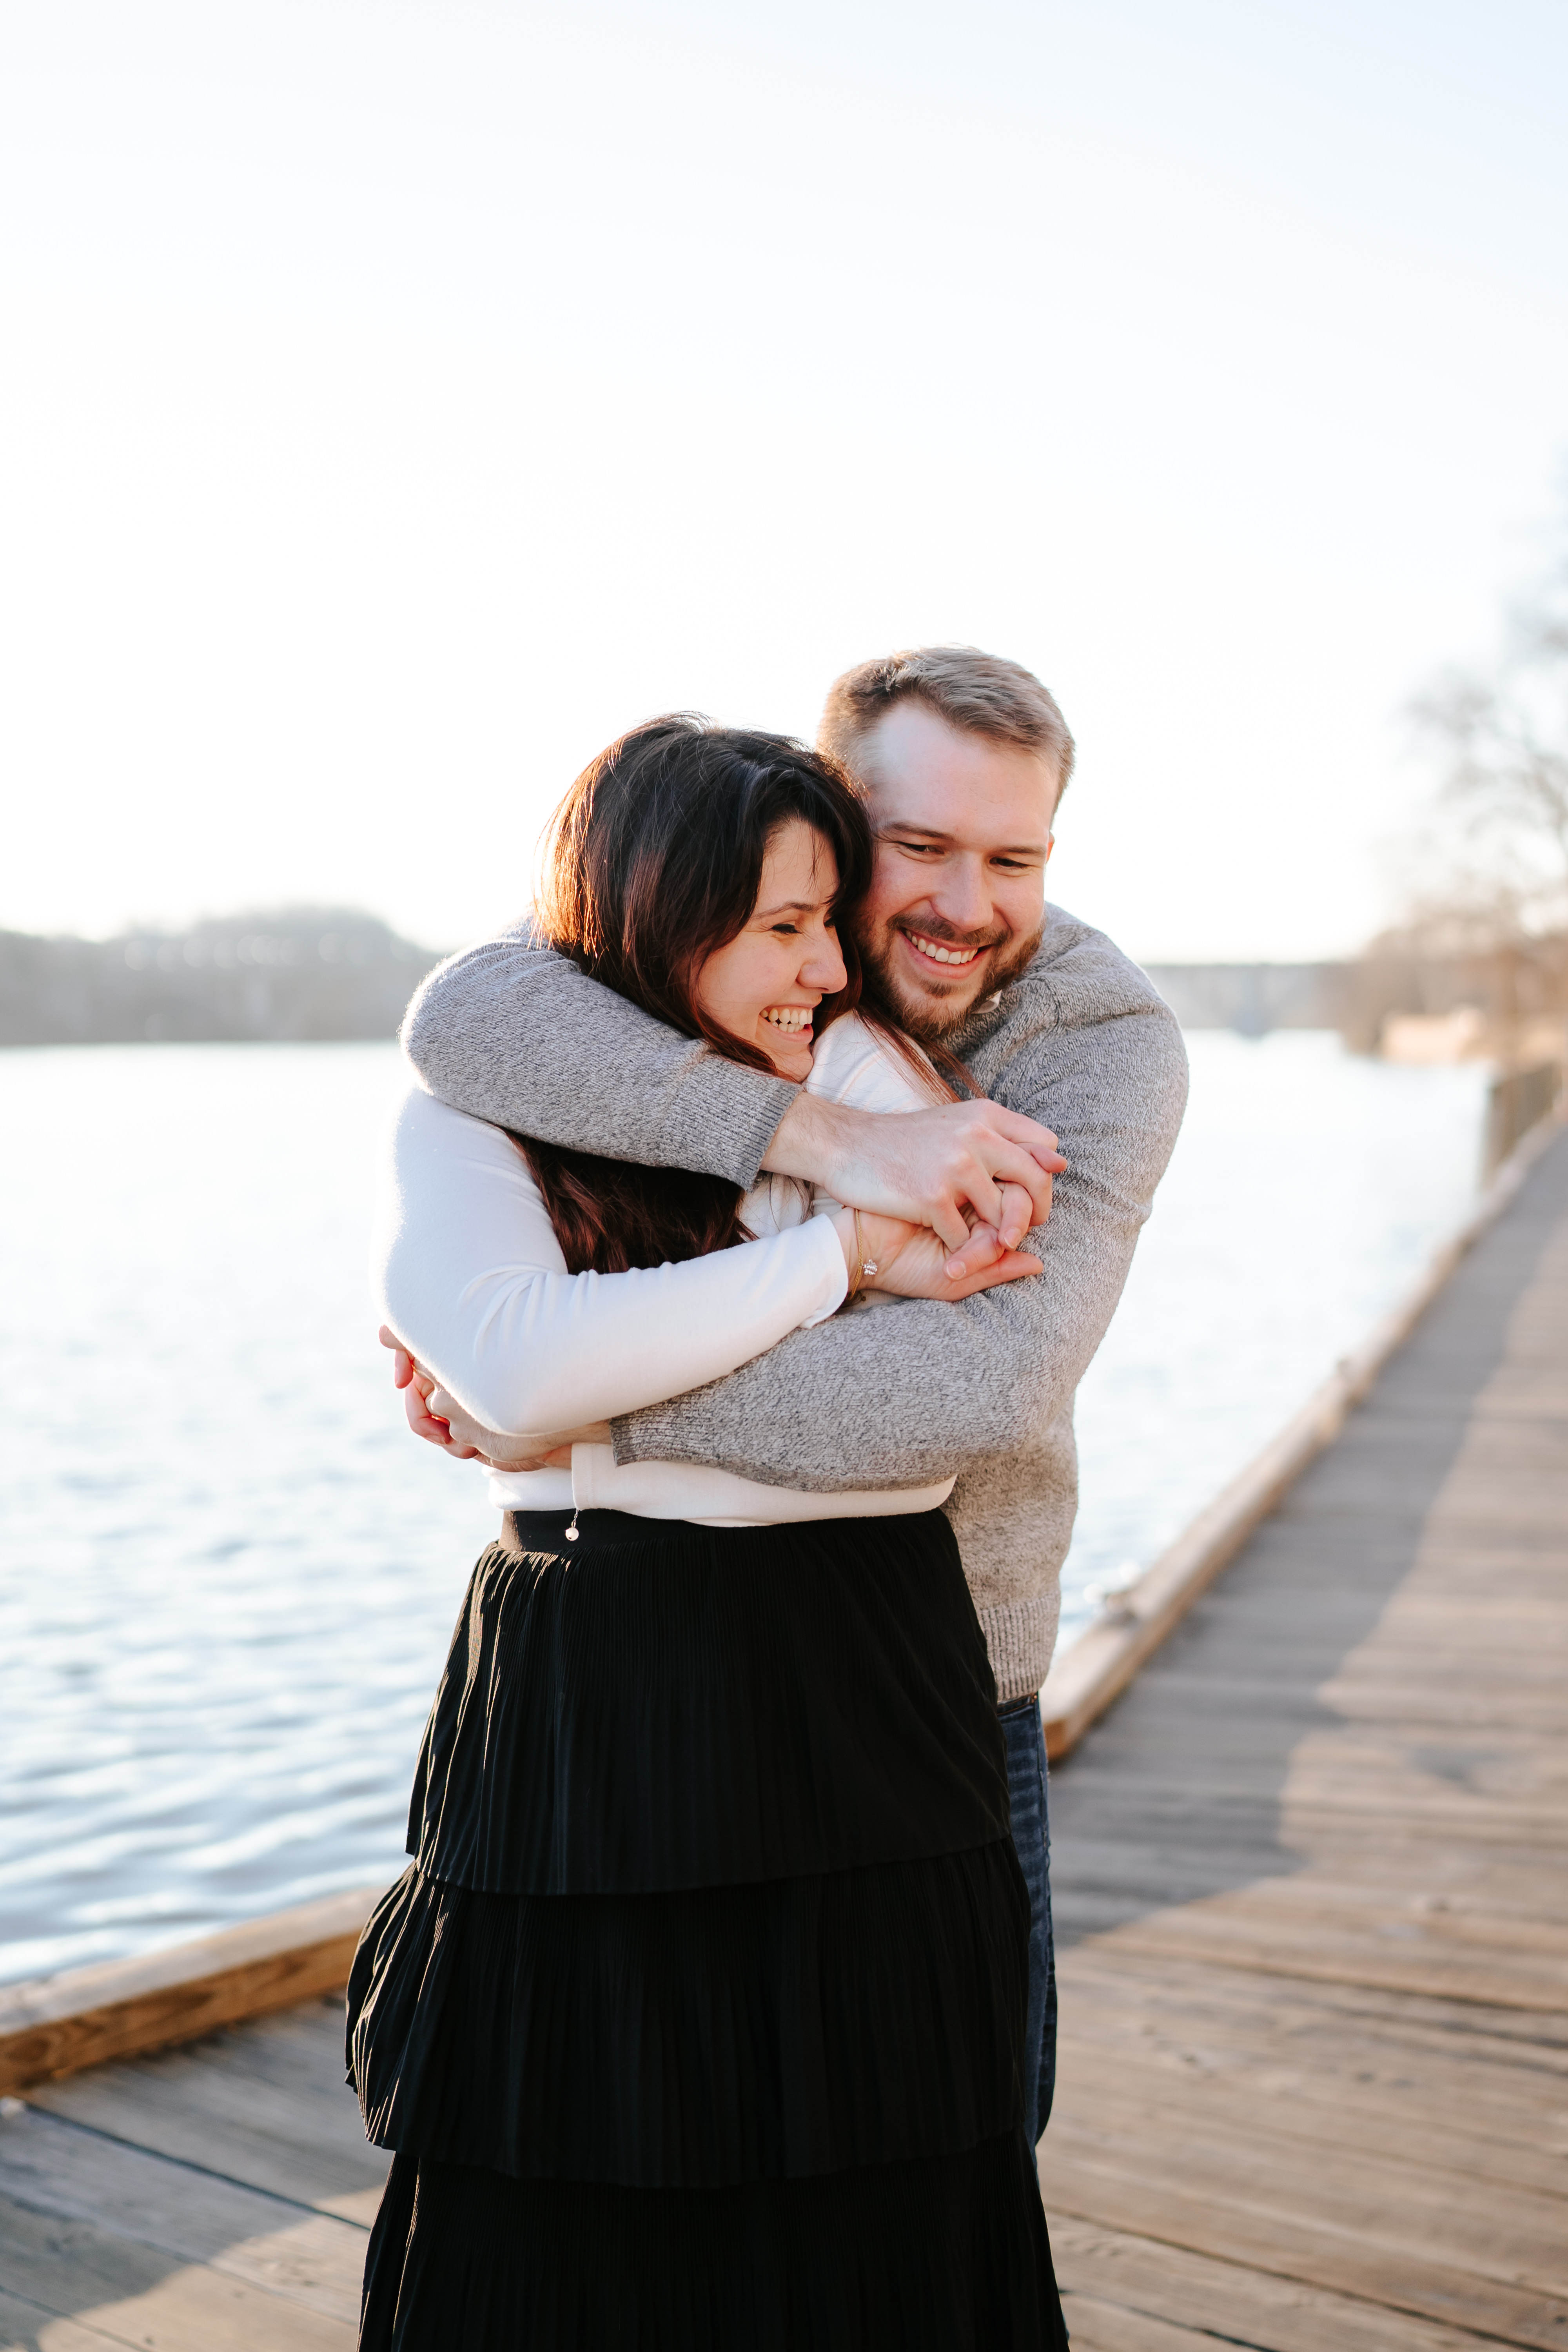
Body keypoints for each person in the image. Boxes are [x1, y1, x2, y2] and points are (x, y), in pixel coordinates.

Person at [398, 647, 1190, 2145]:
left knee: (945, 2138)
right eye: (922, 848)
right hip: (653, 1674)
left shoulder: (1100, 1040)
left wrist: (575, 1402)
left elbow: (975, 1385)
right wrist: (830, 1146)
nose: (967, 904)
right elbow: (465, 1019)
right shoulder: (701, 929)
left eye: (1012, 857)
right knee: (638, 2138)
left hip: (940, 1669)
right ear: (832, 819)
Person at [356, 716, 1070, 2347]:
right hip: (587, 1696)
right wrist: (831, 1269)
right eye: (779, 925)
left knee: (875, 2193)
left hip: (858, 1681)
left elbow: (915, 1433)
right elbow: (507, 1357)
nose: (826, 967)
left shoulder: (876, 1080)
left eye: (829, 915)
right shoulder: (482, 1106)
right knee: (564, 2192)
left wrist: (591, 1402)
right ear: (655, 913)